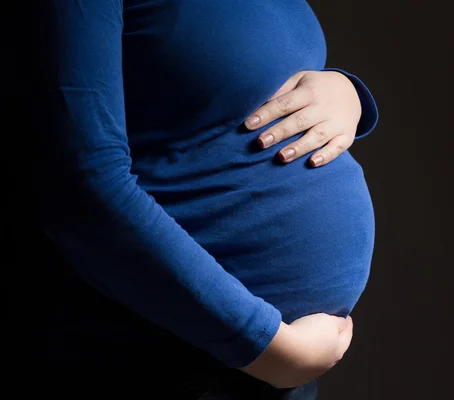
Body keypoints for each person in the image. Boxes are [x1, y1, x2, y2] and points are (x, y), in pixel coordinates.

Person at [34, 0, 379, 398]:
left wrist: (346, 92)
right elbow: (81, 184)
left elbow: (233, 82)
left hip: (263, 364)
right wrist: (264, 345)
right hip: (164, 355)